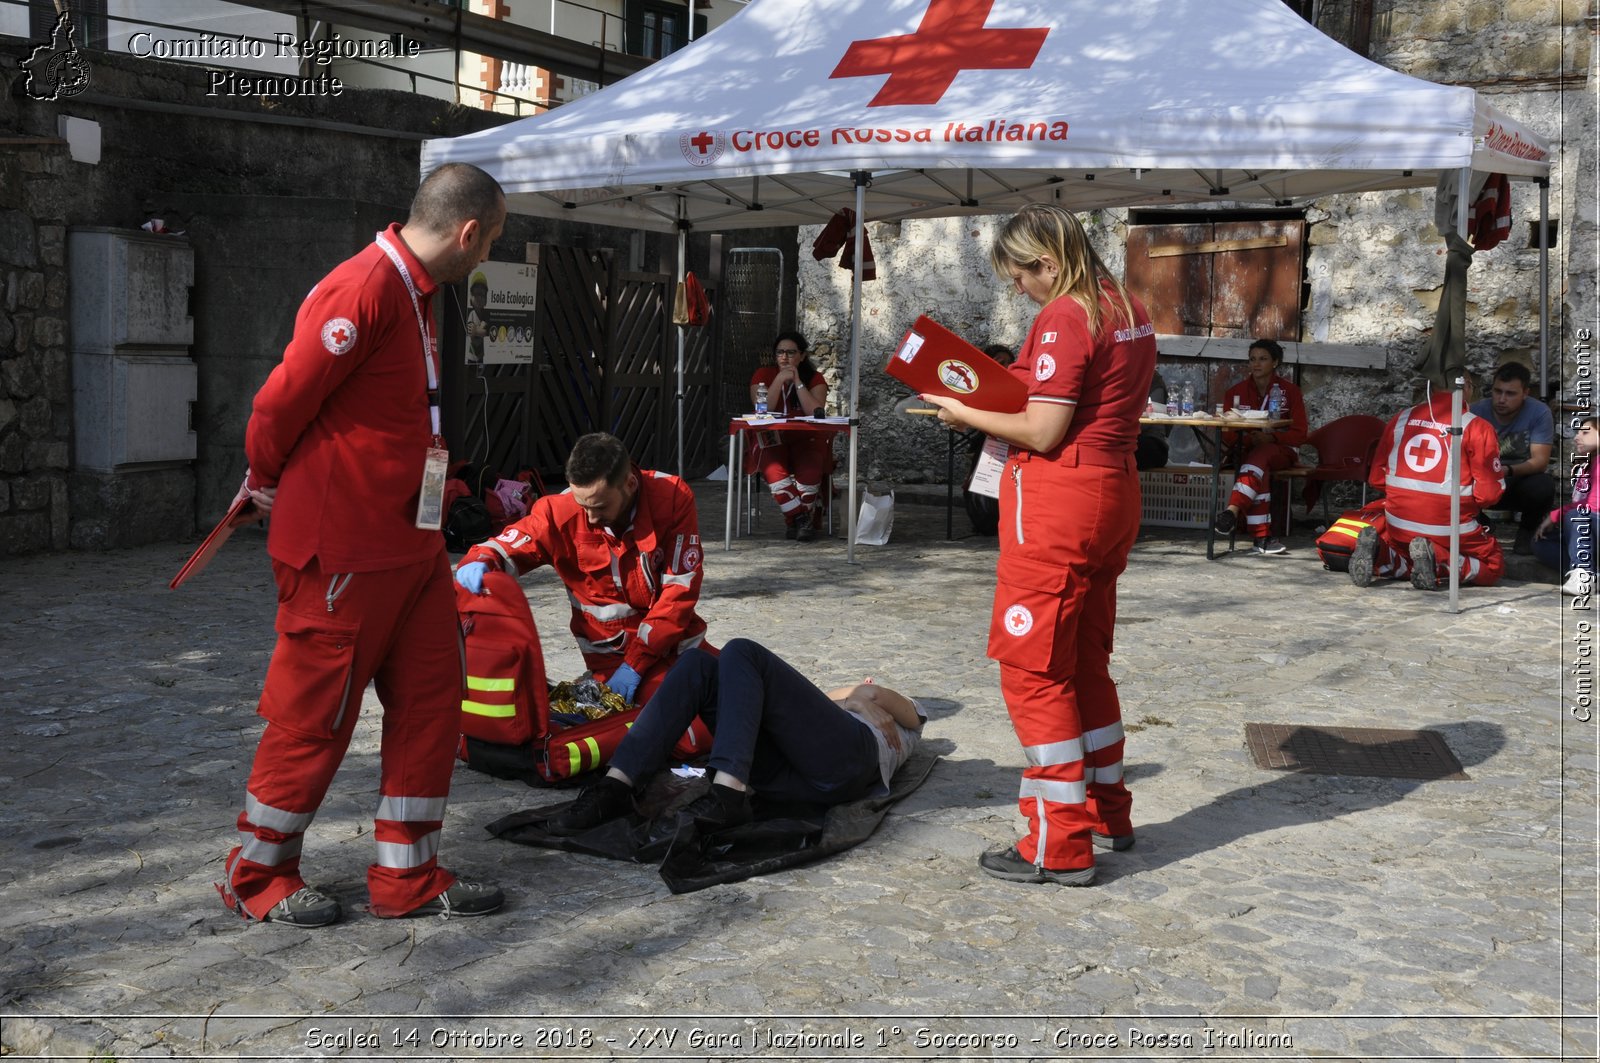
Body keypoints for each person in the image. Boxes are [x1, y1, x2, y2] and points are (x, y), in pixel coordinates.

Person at [220, 163, 508, 928]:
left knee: (431, 702)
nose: (482, 261)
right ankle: (257, 873)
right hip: (343, 552)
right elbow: (278, 404)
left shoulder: (410, 291)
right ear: (468, 232)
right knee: (313, 718)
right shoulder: (366, 288)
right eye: (489, 245)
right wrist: (266, 481)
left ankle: (407, 877)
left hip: (405, 547)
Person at [920, 203, 1156, 887]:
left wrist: (963, 410)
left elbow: (1046, 429)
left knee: (1032, 669)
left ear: (1047, 262)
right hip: (1113, 492)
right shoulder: (1125, 305)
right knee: (1084, 660)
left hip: (1059, 504)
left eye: (1020, 275)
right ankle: (1109, 812)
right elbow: (1068, 391)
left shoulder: (1065, 313)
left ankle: (1058, 842)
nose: (1019, 289)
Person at [546, 639, 925, 835]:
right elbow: (791, 705)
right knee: (696, 663)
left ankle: (727, 793)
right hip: (789, 777)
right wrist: (849, 695)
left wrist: (862, 693)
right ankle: (617, 786)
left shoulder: (892, 709)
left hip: (852, 763)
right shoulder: (827, 709)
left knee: (742, 650)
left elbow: (906, 710)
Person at [455, 432, 709, 707]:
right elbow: (508, 544)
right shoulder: (560, 511)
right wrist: (480, 560)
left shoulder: (670, 498)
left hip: (679, 646)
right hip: (614, 658)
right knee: (681, 716)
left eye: (599, 506)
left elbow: (679, 591)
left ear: (630, 484)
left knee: (736, 682)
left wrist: (637, 663)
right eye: (583, 505)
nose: (590, 517)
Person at [1349, 374, 1505, 591]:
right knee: (1493, 565)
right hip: (1450, 525)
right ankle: (1438, 559)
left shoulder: (1401, 419)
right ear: (1466, 388)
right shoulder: (1477, 427)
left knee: (1405, 550)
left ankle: (1381, 554)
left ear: (1431, 388)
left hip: (1399, 522)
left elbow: (1376, 478)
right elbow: (1488, 495)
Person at [1211, 339, 1309, 554]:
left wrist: (1272, 438)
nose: (1256, 364)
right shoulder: (1235, 393)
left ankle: (1232, 510)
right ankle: (1262, 538)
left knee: (1261, 455)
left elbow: (1300, 434)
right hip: (1248, 453)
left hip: (1282, 451)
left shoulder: (1290, 392)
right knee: (1258, 465)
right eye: (1252, 359)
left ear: (1275, 362)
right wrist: (1250, 440)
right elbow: (1227, 433)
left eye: (1263, 359)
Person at [748, 331, 831, 541]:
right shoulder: (763, 375)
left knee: (811, 473)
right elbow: (763, 409)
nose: (784, 357)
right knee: (773, 470)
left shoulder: (815, 379)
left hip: (806, 439)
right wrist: (779, 379)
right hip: (773, 438)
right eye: (780, 352)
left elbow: (815, 412)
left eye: (791, 352)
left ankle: (794, 521)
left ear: (802, 356)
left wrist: (798, 382)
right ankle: (802, 519)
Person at [1470, 361, 1556, 554]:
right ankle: (1477, 525)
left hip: (1515, 481)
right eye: (1497, 391)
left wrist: (1506, 471)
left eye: (1510, 394)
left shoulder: (1539, 413)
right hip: (1481, 482)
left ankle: (1527, 532)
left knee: (1543, 485)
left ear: (1525, 393)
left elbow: (1540, 462)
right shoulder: (1475, 412)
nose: (1501, 399)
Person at [1533, 414, 1597, 596]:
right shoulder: (1589, 463)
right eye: (1578, 432)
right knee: (1541, 543)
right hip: (1588, 534)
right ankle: (1591, 574)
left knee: (1577, 516)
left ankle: (1584, 574)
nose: (1577, 437)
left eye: (1585, 432)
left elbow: (1594, 505)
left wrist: (1555, 515)